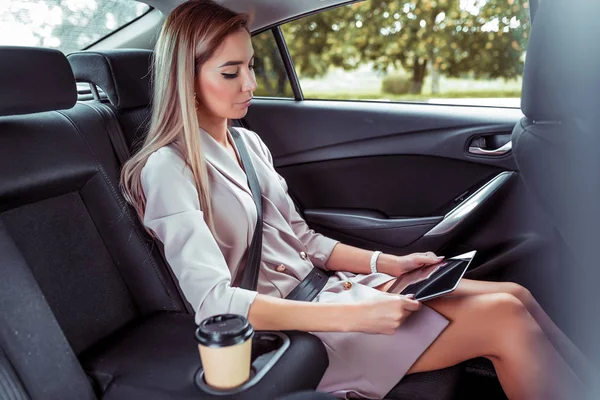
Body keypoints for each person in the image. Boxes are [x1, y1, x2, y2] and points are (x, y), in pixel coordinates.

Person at [120, 1, 587, 398]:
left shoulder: (247, 144)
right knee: (504, 318)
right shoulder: (168, 168)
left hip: (331, 293)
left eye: (251, 66)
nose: (251, 85)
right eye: (231, 72)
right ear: (187, 76)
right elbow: (215, 303)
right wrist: (358, 316)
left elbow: (304, 240)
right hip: (288, 331)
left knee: (513, 293)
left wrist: (386, 263)